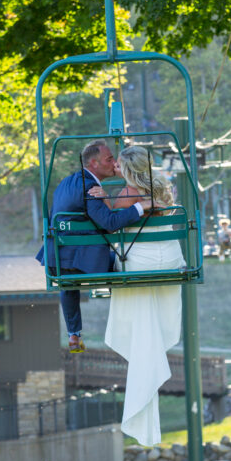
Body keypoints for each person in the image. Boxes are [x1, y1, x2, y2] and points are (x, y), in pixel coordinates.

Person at [92, 145, 185, 446]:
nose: (115, 168)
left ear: (129, 169)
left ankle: (141, 391)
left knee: (114, 256)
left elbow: (111, 225)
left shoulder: (126, 196)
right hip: (170, 258)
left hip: (142, 262)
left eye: (119, 165)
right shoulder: (164, 189)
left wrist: (104, 199)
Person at [36, 139, 148, 354]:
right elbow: (110, 224)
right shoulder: (90, 188)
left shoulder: (67, 183)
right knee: (126, 264)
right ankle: (133, 323)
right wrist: (140, 207)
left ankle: (74, 333)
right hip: (85, 263)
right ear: (94, 164)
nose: (114, 161)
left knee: (67, 282)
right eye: (109, 159)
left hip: (58, 261)